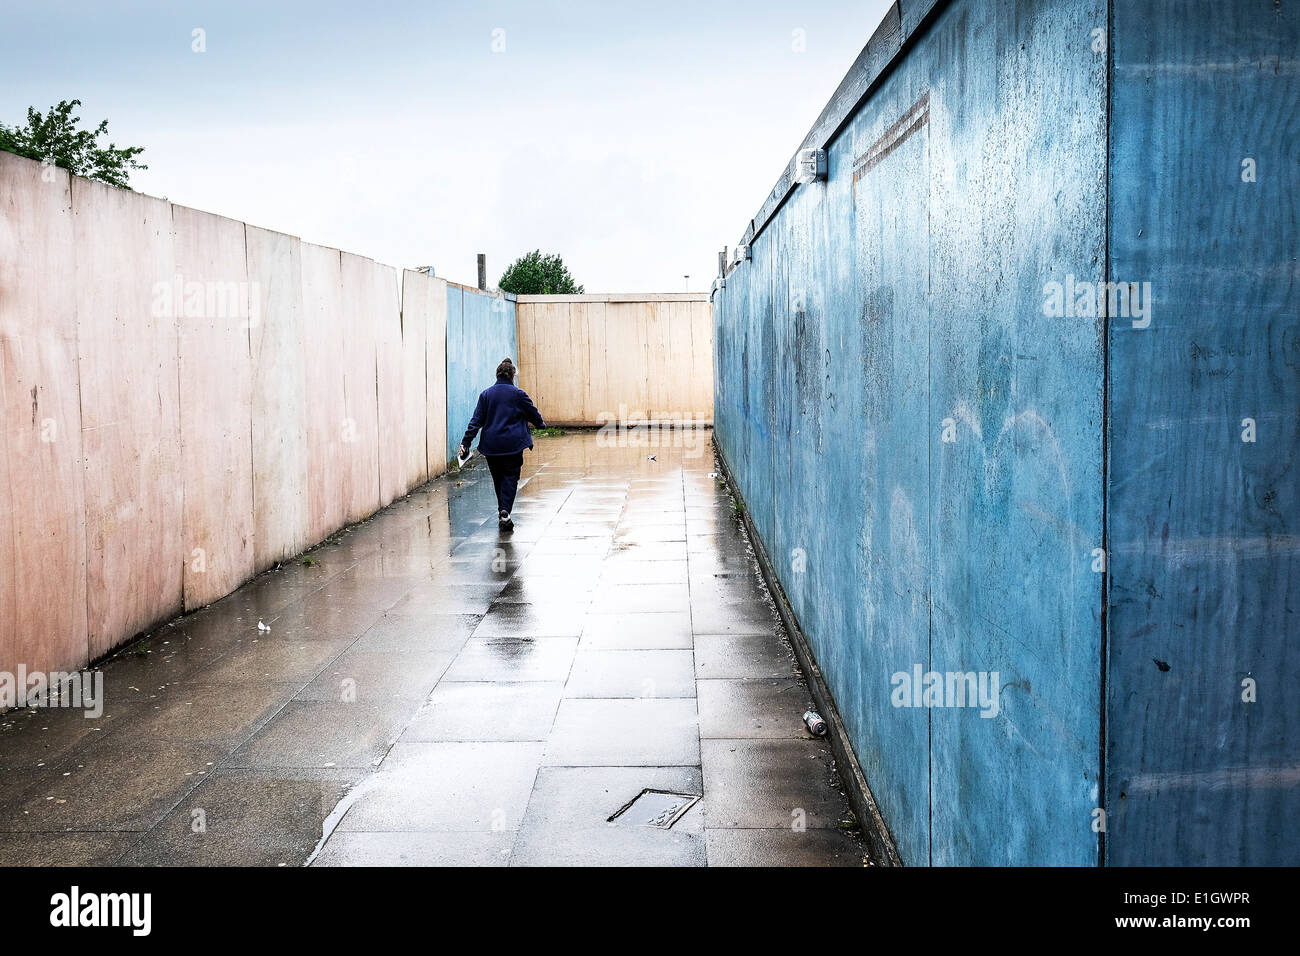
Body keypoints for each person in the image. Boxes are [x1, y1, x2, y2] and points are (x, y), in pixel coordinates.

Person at [458, 357, 545, 531]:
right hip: (513, 445)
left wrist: (466, 442)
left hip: (492, 447)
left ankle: (502, 512)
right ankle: (505, 510)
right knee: (510, 478)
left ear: (497, 374)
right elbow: (533, 413)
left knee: (498, 479)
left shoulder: (486, 395)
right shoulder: (519, 394)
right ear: (513, 376)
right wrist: (541, 424)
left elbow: (476, 421)